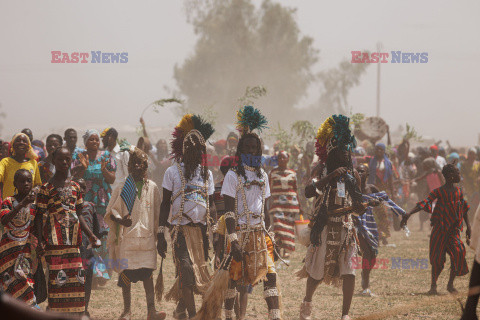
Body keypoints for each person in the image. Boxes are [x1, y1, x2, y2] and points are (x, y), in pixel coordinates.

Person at [209, 106, 280, 320]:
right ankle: (229, 316)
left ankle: (275, 316)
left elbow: (266, 209)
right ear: (241, 150)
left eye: (254, 148)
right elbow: (228, 212)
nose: (251, 152)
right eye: (247, 148)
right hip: (239, 234)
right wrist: (233, 240)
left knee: (270, 277)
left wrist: (271, 236)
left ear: (259, 150)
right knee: (233, 279)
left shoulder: (263, 175)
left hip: (260, 234)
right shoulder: (232, 176)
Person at [299, 114, 367, 320]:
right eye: (340, 153)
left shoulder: (352, 174)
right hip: (324, 226)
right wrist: (330, 176)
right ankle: (306, 305)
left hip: (346, 228)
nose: (345, 157)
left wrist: (361, 189)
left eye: (347, 153)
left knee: (350, 271)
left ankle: (345, 315)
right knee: (316, 273)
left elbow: (359, 206)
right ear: (331, 154)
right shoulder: (320, 169)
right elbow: (308, 191)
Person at [157, 114, 215, 319]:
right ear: (183, 150)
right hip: (179, 231)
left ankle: (181, 308)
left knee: (196, 273)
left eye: (199, 149)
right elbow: (165, 204)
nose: (195, 153)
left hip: (201, 232)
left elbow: (212, 204)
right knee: (187, 270)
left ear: (203, 152)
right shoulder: (172, 172)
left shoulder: (206, 174)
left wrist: (214, 231)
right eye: (191, 149)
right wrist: (160, 234)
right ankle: (192, 315)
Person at [34, 147, 101, 314]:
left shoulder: (76, 187)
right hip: (54, 244)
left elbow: (79, 216)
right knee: (57, 285)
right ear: (54, 161)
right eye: (60, 159)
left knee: (76, 284)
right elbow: (39, 216)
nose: (64, 162)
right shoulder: (46, 188)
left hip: (73, 244)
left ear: (71, 161)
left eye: (67, 159)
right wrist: (40, 242)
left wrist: (91, 235)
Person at [106, 147, 166, 320]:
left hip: (146, 239)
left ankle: (151, 310)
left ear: (146, 166)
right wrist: (121, 221)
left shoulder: (153, 187)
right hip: (127, 239)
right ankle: (127, 311)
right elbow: (112, 211)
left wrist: (159, 236)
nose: (138, 166)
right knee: (125, 274)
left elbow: (157, 214)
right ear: (129, 166)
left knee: (147, 274)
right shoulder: (123, 186)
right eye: (134, 163)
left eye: (141, 163)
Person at [401, 163, 471, 295]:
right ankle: (433, 286)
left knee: (459, 254)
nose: (459, 175)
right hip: (439, 231)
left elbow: (464, 208)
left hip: (454, 231)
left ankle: (450, 285)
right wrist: (409, 213)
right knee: (437, 260)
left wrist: (469, 227)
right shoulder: (439, 191)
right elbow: (425, 203)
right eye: (457, 173)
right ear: (450, 176)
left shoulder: (460, 192)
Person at [72, 129, 116, 285]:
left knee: (103, 235)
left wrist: (104, 170)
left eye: (97, 139)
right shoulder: (79, 157)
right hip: (85, 202)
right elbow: (74, 177)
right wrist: (83, 167)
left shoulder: (106, 157)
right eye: (91, 139)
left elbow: (111, 179)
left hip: (102, 202)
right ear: (85, 142)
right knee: (88, 234)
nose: (95, 142)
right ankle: (92, 272)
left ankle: (102, 272)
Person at [0, 169, 38, 307]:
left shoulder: (34, 205)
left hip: (24, 251)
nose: (26, 184)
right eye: (22, 181)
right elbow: (4, 220)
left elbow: (35, 227)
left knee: (24, 281)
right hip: (7, 252)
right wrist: (22, 204)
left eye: (29, 180)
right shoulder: (8, 201)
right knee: (8, 282)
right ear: (15, 183)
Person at [269, 150, 300, 259]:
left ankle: (286, 250)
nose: (282, 159)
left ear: (288, 159)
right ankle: (277, 249)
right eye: (280, 158)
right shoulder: (272, 173)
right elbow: (269, 189)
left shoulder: (292, 173)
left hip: (290, 205)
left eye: (284, 157)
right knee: (278, 227)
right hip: (277, 205)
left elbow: (295, 189)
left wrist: (299, 204)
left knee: (289, 227)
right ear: (277, 159)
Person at [76, 178, 100, 317]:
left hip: (87, 250)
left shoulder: (90, 206)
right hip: (73, 250)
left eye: (84, 188)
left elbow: (96, 230)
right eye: (78, 188)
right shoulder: (67, 208)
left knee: (87, 280)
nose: (82, 191)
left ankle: (84, 308)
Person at [0, 133, 42, 199]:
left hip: (28, 205)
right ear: (13, 145)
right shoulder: (5, 162)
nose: (21, 143)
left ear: (28, 147)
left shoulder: (33, 163)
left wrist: (34, 192)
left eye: (24, 141)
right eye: (18, 140)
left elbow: (38, 184)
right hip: (9, 205)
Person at [367, 143, 395, 244]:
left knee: (383, 214)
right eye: (377, 149)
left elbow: (390, 179)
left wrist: (392, 193)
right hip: (372, 190)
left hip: (383, 191)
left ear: (384, 151)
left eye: (381, 150)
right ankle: (378, 236)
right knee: (375, 214)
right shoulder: (371, 161)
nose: (379, 151)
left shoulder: (388, 163)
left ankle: (382, 236)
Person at [100, 127, 130, 193]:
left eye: (103, 138)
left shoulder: (122, 153)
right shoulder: (103, 154)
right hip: (106, 192)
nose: (102, 141)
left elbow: (128, 174)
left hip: (119, 192)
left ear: (110, 137)